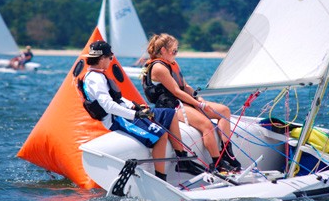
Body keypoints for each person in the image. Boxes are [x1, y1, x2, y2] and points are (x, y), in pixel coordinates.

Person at [80, 40, 203, 181]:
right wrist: (135, 114)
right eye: (110, 58)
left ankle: (183, 160)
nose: (110, 61)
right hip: (118, 120)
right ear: (102, 59)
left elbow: (116, 98)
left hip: (125, 114)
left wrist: (134, 105)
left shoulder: (98, 74)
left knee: (170, 114)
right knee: (161, 135)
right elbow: (108, 106)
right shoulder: (95, 79)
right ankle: (161, 177)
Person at [142, 33, 241, 173]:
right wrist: (198, 104)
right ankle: (217, 162)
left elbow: (185, 86)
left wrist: (198, 98)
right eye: (174, 51)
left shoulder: (172, 64)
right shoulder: (159, 67)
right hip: (171, 105)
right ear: (163, 51)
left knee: (223, 111)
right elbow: (176, 92)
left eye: (177, 50)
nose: (176, 54)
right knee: (207, 125)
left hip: (184, 101)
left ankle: (227, 154)